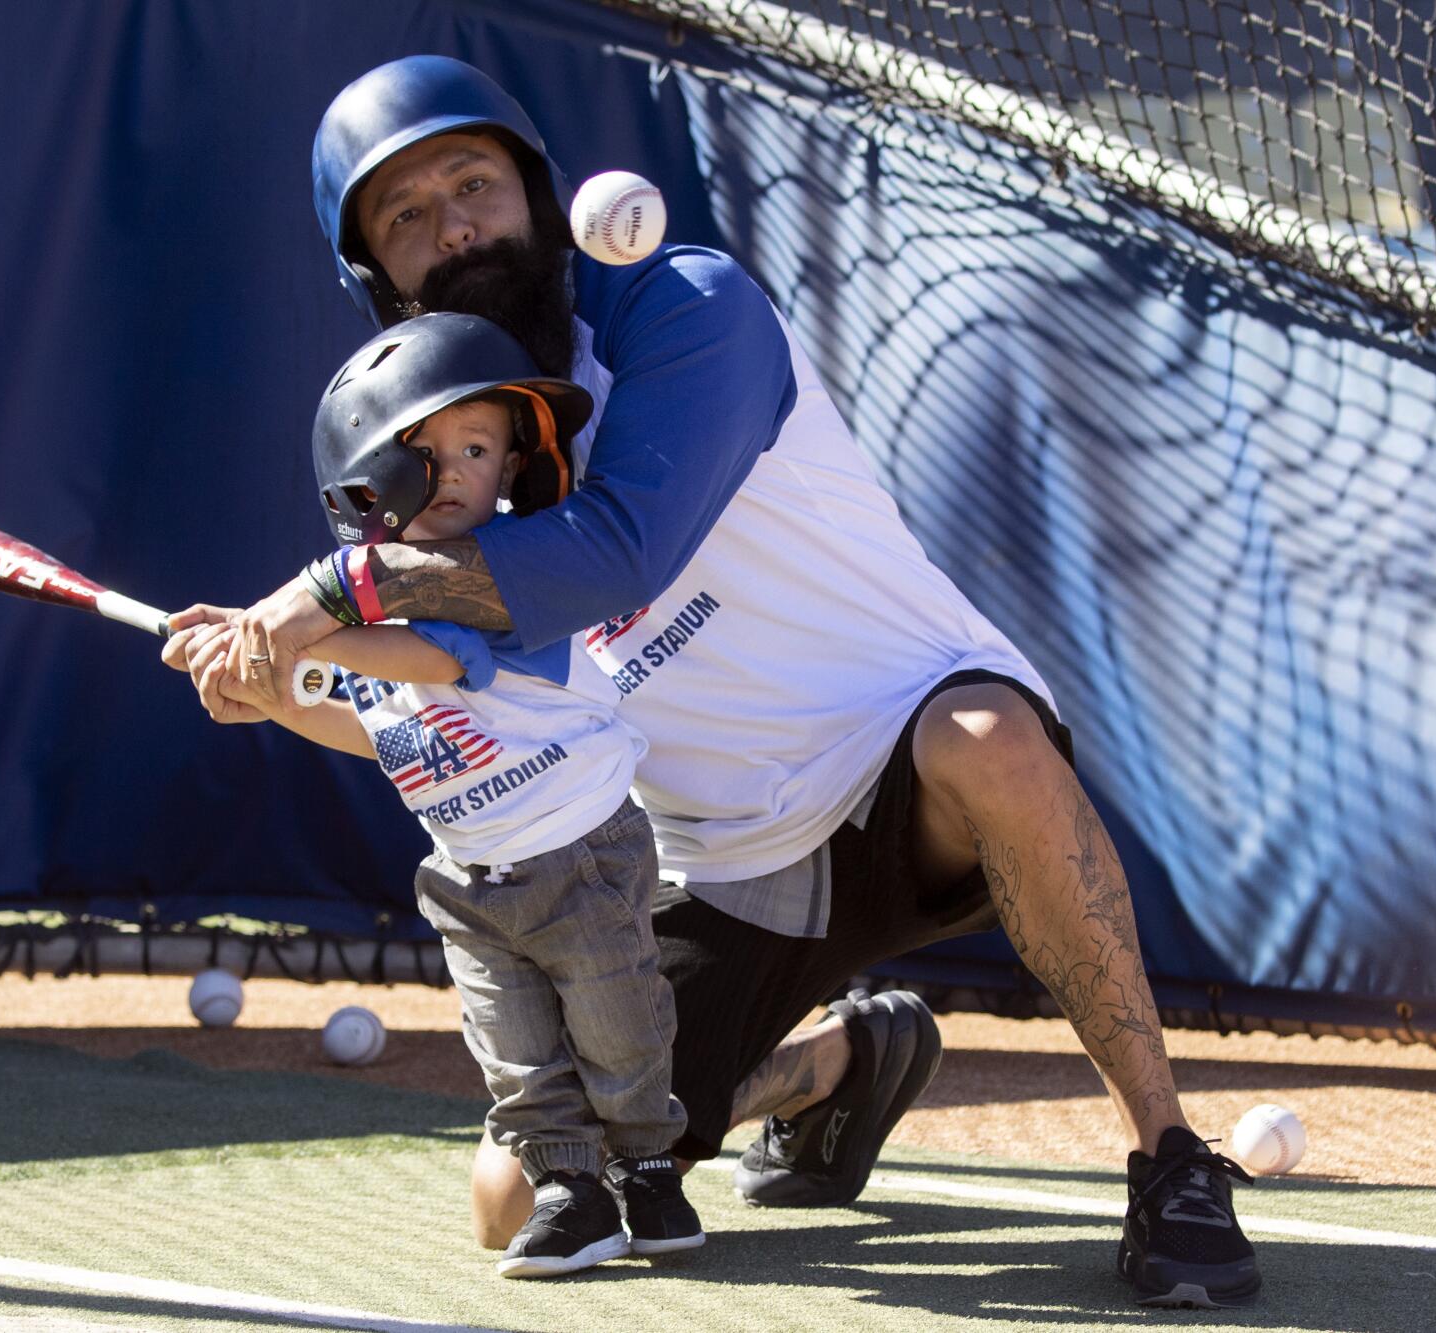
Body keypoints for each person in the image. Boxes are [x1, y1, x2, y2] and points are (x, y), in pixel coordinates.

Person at [168, 55, 1261, 1309]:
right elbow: (435, 712)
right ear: (377, 277)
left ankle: (1168, 1153)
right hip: (726, 866)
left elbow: (619, 548)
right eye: (406, 217)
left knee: (988, 732)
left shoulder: (685, 306)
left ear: (533, 190)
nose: (452, 227)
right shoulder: (434, 493)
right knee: (517, 1201)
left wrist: (317, 600)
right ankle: (838, 1065)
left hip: (910, 764)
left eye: (470, 184)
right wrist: (282, 681)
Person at [179, 311, 704, 1279]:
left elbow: (428, 655)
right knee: (517, 1059)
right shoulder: (354, 622)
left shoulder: (512, 572)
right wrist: (269, 692)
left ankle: (645, 1165)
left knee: (619, 1033)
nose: (467, 469)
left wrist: (287, 633)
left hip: (582, 857)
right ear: (364, 473)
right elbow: (380, 727)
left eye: (481, 447)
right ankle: (571, 1194)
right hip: (470, 876)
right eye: (436, 449)